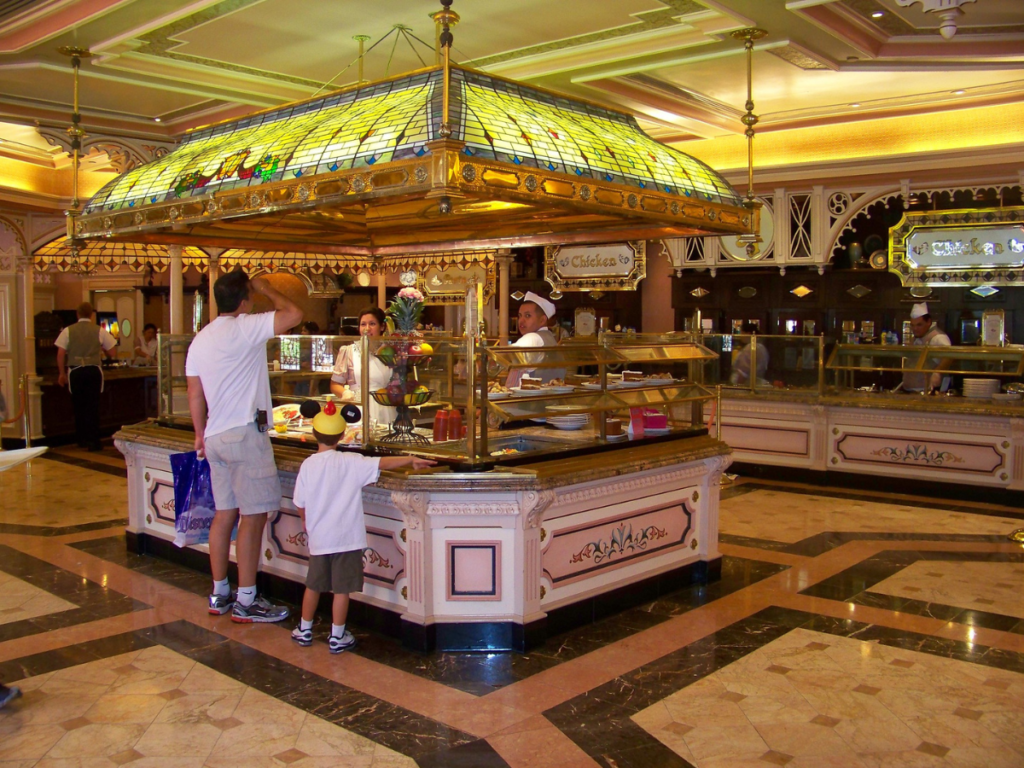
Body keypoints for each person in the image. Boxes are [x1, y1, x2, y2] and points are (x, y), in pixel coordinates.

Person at [186, 270, 303, 623]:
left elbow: (195, 392)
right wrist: (265, 287)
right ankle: (248, 599)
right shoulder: (246, 326)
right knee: (252, 518)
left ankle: (220, 592)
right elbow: (294, 314)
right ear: (243, 301)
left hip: (215, 438)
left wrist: (198, 433)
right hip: (245, 435)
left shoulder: (201, 339)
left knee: (224, 515)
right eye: (250, 295)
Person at [290, 401, 434, 653]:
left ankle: (304, 628)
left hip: (319, 539)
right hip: (347, 539)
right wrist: (410, 458)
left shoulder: (308, 465)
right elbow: (380, 463)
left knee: (312, 585)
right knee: (342, 590)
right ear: (343, 435)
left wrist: (306, 521)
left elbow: (300, 503)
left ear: (314, 433)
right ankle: (337, 635)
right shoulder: (350, 461)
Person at [55, 302, 117, 451]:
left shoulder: (68, 331)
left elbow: (60, 354)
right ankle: (94, 441)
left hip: (76, 371)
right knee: (93, 406)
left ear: (77, 314)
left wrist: (62, 373)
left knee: (78, 406)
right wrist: (101, 350)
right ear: (91, 315)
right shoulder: (99, 331)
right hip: (93, 371)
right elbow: (113, 352)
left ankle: (81, 439)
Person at [329, 307, 396, 427]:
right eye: (363, 324)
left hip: (386, 406)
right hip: (358, 407)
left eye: (372, 324)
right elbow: (335, 384)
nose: (367, 329)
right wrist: (346, 393)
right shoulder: (348, 351)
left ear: (382, 327)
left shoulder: (390, 351)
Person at [506, 291, 565, 388]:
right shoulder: (549, 337)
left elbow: (506, 354)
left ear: (542, 320)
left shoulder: (533, 338)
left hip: (528, 401)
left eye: (528, 315)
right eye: (520, 315)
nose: (521, 320)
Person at [903, 302, 952, 393]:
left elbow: (949, 355)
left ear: (929, 322)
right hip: (911, 390)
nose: (915, 329)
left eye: (919, 325)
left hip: (929, 391)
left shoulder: (938, 337)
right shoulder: (915, 338)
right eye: (912, 325)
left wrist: (937, 372)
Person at [730, 321, 769, 386]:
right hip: (756, 383)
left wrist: (738, 386)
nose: (740, 336)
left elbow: (744, 372)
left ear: (747, 333)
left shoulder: (750, 348)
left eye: (741, 333)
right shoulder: (761, 347)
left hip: (747, 385)